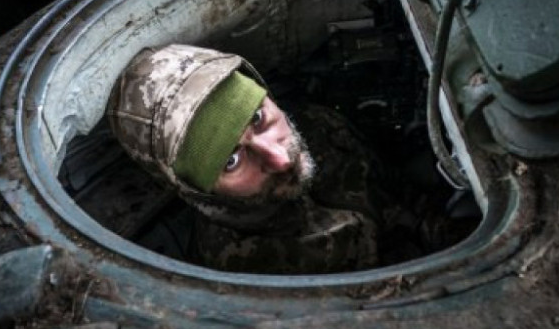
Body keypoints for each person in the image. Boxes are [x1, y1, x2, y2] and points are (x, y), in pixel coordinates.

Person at [106, 44, 395, 274]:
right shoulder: (249, 268)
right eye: (231, 161)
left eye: (257, 118)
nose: (281, 159)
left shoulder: (316, 124)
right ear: (202, 193)